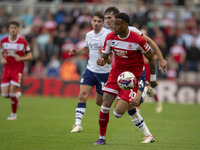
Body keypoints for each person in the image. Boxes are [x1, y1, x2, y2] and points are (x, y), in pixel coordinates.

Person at [93, 13, 157, 145]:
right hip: (115, 74)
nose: (114, 27)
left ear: (125, 25)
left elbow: (151, 58)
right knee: (105, 105)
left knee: (118, 113)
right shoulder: (110, 37)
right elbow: (105, 56)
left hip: (132, 77)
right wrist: (101, 60)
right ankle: (102, 138)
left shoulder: (138, 40)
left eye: (117, 24)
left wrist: (152, 78)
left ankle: (144, 88)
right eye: (113, 24)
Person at [69, 11, 111, 133]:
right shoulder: (89, 35)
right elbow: (86, 49)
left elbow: (111, 59)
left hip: (104, 73)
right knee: (82, 95)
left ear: (103, 23)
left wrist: (105, 58)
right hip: (90, 70)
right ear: (91, 22)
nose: (96, 23)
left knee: (99, 102)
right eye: (94, 21)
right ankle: (77, 124)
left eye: (99, 21)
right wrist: (76, 52)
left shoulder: (108, 35)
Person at [0, 21, 33, 120]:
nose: (13, 29)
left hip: (17, 70)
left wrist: (21, 58)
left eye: (15, 28)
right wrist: (2, 58)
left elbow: (30, 56)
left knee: (12, 92)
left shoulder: (22, 42)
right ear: (9, 29)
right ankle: (17, 96)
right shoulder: (4, 41)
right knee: (5, 95)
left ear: (18, 29)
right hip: (7, 70)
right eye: (11, 28)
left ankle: (13, 115)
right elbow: (1, 52)